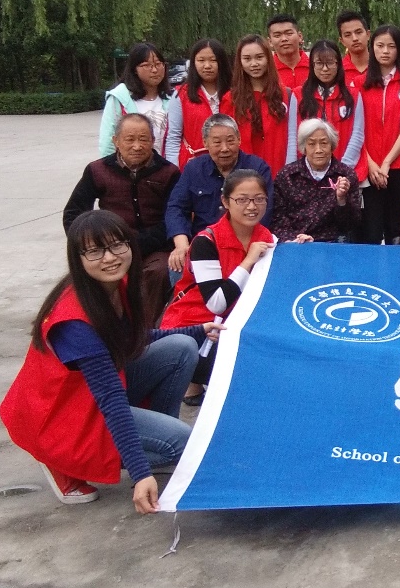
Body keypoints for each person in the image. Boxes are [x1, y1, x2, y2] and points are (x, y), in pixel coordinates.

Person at [0, 210, 217, 512]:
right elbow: (111, 398)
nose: (110, 257)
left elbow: (131, 337)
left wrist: (196, 330)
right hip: (61, 417)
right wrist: (140, 474)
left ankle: (155, 444)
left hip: (86, 397)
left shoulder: (113, 285)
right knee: (182, 441)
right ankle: (58, 459)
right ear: (77, 258)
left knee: (181, 347)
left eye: (117, 245)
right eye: (95, 251)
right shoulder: (74, 321)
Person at [162, 169, 279, 404]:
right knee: (250, 372)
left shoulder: (267, 237)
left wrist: (295, 248)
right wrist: (248, 261)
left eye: (259, 199)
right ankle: (190, 380)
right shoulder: (205, 242)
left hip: (234, 323)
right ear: (225, 201)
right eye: (242, 200)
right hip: (195, 326)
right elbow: (217, 303)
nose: (252, 206)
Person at [64, 114, 180, 327]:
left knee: (158, 273)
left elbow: (174, 216)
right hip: (110, 245)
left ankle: (143, 330)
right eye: (129, 139)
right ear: (116, 141)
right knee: (90, 271)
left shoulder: (168, 172)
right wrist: (90, 245)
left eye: (143, 139)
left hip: (154, 247)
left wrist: (137, 244)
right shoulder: (97, 170)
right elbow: (73, 213)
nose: (137, 146)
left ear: (153, 141)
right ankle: (99, 325)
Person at [165, 114, 273, 275]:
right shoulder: (194, 169)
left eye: (230, 141)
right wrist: (181, 245)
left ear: (239, 140)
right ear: (205, 143)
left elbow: (266, 209)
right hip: (204, 244)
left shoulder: (257, 167)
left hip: (246, 244)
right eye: (217, 142)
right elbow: (177, 207)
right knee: (178, 265)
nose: (225, 148)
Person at [355, 25, 400, 244]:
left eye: (391, 46)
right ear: (372, 47)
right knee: (371, 230)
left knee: (397, 231)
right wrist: (371, 164)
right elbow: (354, 129)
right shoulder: (358, 84)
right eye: (380, 45)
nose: (385, 51)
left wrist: (386, 163)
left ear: (399, 49)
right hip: (368, 166)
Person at [273, 119, 362, 243]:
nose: (318, 149)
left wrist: (341, 200)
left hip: (331, 244)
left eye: (324, 143)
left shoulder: (346, 175)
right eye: (311, 144)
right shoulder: (287, 175)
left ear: (332, 146)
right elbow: (278, 219)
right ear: (304, 147)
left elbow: (350, 225)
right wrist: (296, 239)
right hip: (294, 243)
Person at [288, 39, 364, 168]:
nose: (325, 69)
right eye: (319, 63)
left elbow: (357, 135)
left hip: (346, 170)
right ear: (312, 65)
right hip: (307, 171)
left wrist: (342, 168)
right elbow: (293, 137)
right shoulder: (299, 95)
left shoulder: (353, 95)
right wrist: (291, 169)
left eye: (330, 63)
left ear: (338, 64)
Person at [164, 38, 233, 169]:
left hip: (231, 164)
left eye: (213, 60)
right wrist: (175, 171)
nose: (207, 66)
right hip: (194, 165)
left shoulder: (235, 93)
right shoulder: (181, 95)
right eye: (201, 60)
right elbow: (174, 137)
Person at [230, 34, 292, 174]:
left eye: (259, 57)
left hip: (280, 171)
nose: (254, 64)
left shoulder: (285, 95)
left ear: (268, 58)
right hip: (244, 175)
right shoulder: (231, 99)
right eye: (247, 59)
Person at [98, 42, 173, 156]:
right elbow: (107, 141)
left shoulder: (171, 97)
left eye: (158, 64)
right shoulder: (119, 97)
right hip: (129, 165)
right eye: (147, 65)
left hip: (164, 165)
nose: (154, 70)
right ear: (134, 69)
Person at [267, 14, 309, 89]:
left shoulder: (315, 66)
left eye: (289, 33)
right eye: (277, 35)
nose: (284, 39)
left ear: (299, 36)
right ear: (270, 41)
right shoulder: (267, 71)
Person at [337, 9, 373, 88]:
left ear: (368, 35)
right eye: (348, 35)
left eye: (358, 32)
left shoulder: (382, 66)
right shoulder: (337, 71)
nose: (355, 38)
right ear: (342, 41)